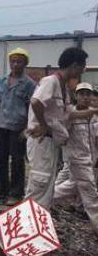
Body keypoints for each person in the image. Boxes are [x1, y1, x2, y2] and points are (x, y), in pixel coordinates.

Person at [25, 47, 88, 209]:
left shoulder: (64, 87)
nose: (83, 69)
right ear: (74, 65)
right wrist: (43, 124)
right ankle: (27, 226)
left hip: (51, 142)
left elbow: (69, 114)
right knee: (39, 183)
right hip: (42, 140)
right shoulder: (51, 81)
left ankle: (38, 223)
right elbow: (36, 102)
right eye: (83, 66)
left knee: (46, 186)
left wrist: (93, 111)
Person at [0, 48, 36, 204]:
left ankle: (16, 193)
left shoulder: (30, 84)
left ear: (25, 64)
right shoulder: (3, 80)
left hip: (18, 127)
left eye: (19, 61)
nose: (15, 64)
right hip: (1, 125)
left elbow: (32, 108)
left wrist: (27, 128)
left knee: (17, 160)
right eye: (13, 61)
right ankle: (1, 188)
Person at [52, 82, 98, 233]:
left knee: (70, 187)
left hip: (89, 161)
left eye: (88, 94)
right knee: (91, 196)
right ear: (76, 96)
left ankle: (39, 201)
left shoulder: (93, 116)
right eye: (82, 94)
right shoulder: (71, 114)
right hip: (78, 160)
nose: (85, 97)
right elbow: (60, 133)